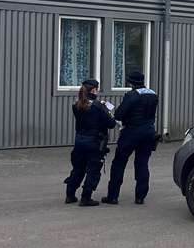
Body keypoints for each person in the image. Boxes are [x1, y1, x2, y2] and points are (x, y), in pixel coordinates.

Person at [102, 71, 159, 205]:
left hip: (131, 133)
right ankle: (140, 196)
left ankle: (113, 196)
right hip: (148, 132)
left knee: (119, 163)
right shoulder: (153, 95)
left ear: (131, 82)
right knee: (142, 164)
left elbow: (119, 114)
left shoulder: (132, 95)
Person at [65, 79, 115, 207]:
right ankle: (86, 197)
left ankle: (70, 194)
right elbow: (111, 123)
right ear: (93, 90)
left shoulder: (76, 104)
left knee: (78, 168)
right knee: (93, 170)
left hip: (79, 140)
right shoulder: (98, 106)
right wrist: (107, 111)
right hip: (94, 141)